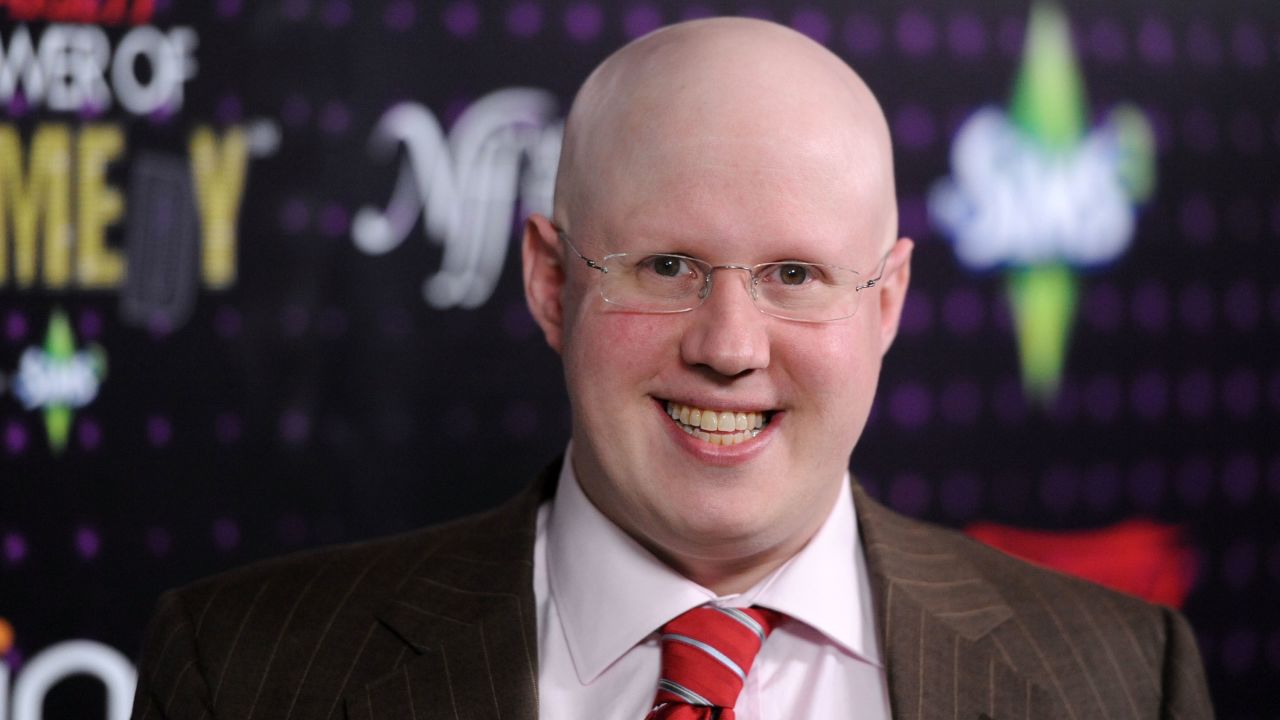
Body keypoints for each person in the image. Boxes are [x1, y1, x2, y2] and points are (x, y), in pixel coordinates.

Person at [131, 17, 1213, 720]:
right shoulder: (247, 674)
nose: (730, 347)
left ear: (885, 302)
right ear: (552, 282)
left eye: (793, 272)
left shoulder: (1120, 682)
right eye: (668, 266)